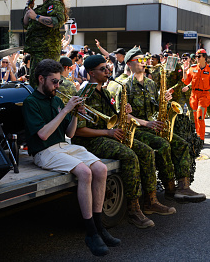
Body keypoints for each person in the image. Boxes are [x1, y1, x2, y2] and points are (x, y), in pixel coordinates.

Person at [22, 59, 119, 256]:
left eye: (59, 81)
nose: (58, 86)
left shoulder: (57, 100)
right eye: (54, 82)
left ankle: (100, 227)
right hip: (44, 151)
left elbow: (71, 133)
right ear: (41, 79)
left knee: (100, 169)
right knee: (85, 172)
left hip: (64, 146)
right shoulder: (30, 102)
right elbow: (43, 135)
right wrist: (66, 109)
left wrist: (75, 114)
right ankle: (90, 232)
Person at [72, 55, 173, 229]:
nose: (107, 71)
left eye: (107, 68)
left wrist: (124, 113)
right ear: (91, 73)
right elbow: (79, 131)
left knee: (147, 151)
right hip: (91, 140)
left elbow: (114, 119)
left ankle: (151, 200)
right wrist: (108, 132)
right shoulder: (83, 94)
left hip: (108, 135)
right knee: (129, 156)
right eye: (102, 69)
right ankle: (134, 209)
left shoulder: (106, 91)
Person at [115, 48, 206, 203]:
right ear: (130, 64)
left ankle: (184, 186)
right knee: (163, 145)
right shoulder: (124, 86)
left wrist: (165, 100)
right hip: (136, 129)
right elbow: (122, 116)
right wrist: (147, 123)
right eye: (140, 60)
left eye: (145, 60)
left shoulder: (150, 84)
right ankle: (170, 188)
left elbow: (156, 106)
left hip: (152, 126)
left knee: (182, 144)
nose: (145, 63)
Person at [23, 0, 69, 88]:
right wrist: (29, 10)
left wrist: (36, 16)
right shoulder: (40, 7)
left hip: (47, 52)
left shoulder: (54, 4)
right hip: (36, 51)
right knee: (35, 82)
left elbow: (56, 21)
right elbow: (25, 23)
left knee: (44, 84)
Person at [182, 49, 210, 140]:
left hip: (204, 95)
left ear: (204, 57)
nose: (197, 58)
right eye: (196, 57)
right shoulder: (192, 68)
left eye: (199, 56)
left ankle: (200, 138)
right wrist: (184, 71)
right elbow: (186, 81)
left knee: (200, 116)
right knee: (195, 117)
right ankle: (197, 135)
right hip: (194, 95)